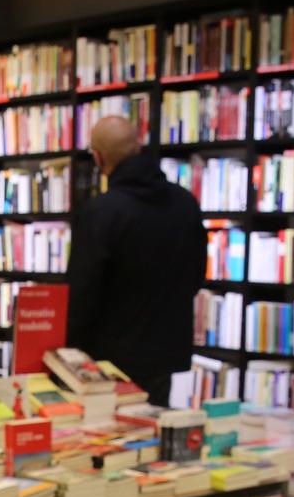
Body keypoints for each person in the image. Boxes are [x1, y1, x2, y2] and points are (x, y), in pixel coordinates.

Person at [66, 113, 206, 398]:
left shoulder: (101, 212)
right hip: (164, 353)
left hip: (108, 360)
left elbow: (83, 293)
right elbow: (195, 276)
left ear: (99, 158)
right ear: (138, 146)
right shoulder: (184, 203)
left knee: (108, 436)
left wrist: (70, 352)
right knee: (152, 429)